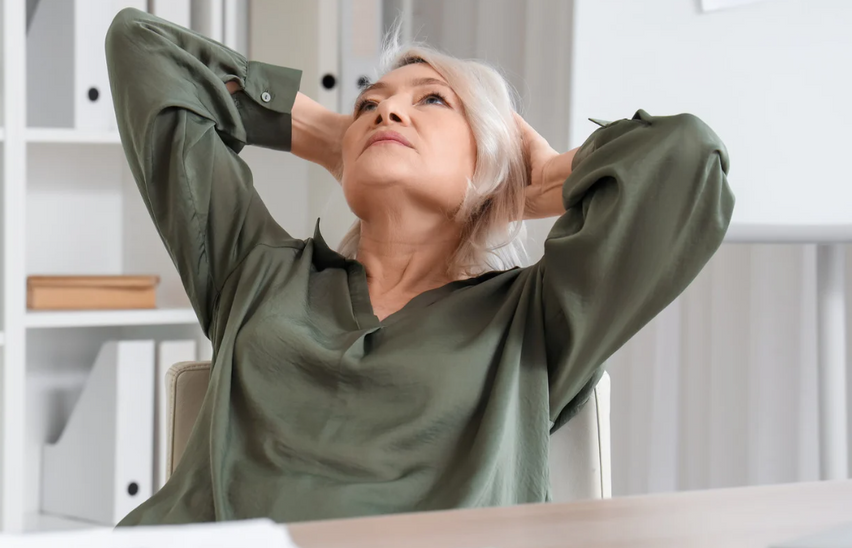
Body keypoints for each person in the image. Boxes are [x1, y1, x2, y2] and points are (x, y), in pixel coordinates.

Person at [105, 7, 734, 526]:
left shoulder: (534, 318)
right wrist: (328, 133)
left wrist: (545, 174)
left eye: (432, 100)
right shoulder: (253, 269)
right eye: (369, 106)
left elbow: (686, 157)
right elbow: (143, 47)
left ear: (488, 160)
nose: (387, 112)